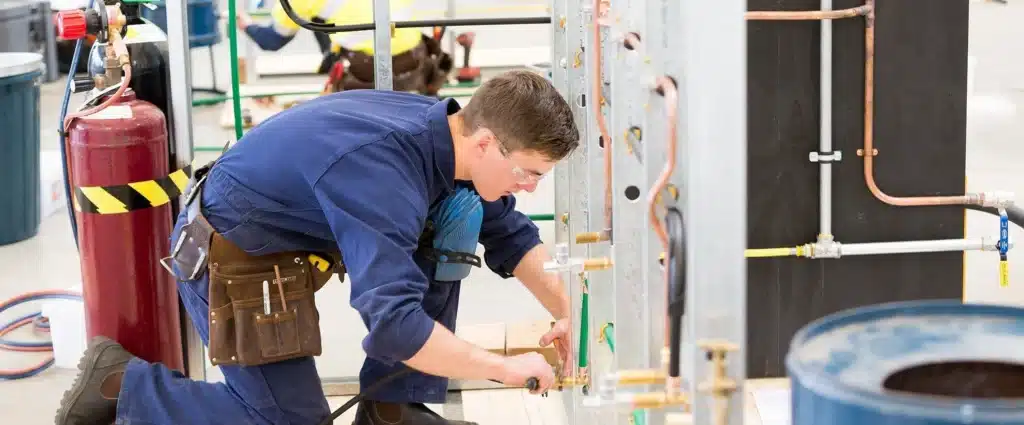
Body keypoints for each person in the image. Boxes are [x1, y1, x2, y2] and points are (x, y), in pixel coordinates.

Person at [55, 69, 580, 425]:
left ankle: (390, 409)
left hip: (283, 243)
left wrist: (570, 313)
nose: (530, 187)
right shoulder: (384, 174)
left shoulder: (448, 135)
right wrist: (505, 368)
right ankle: (121, 385)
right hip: (231, 254)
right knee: (288, 422)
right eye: (527, 173)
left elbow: (509, 233)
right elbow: (393, 323)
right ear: (487, 142)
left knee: (458, 215)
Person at [237, 0, 452, 95]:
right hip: (418, 63)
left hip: (365, 73)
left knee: (315, 21)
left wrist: (245, 23)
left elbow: (272, 40)